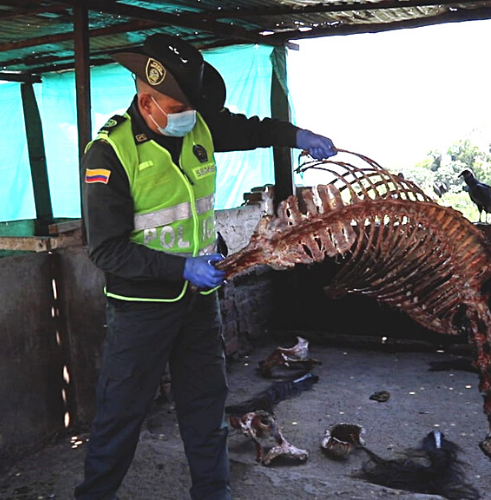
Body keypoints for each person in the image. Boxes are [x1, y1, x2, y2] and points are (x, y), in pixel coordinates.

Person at [75, 33, 335, 500]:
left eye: (192, 107)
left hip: (199, 305)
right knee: (120, 415)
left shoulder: (198, 127)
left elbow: (252, 129)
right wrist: (183, 269)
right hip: (141, 310)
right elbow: (106, 250)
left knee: (205, 409)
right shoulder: (110, 154)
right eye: (178, 109)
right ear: (146, 98)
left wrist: (299, 136)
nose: (189, 118)